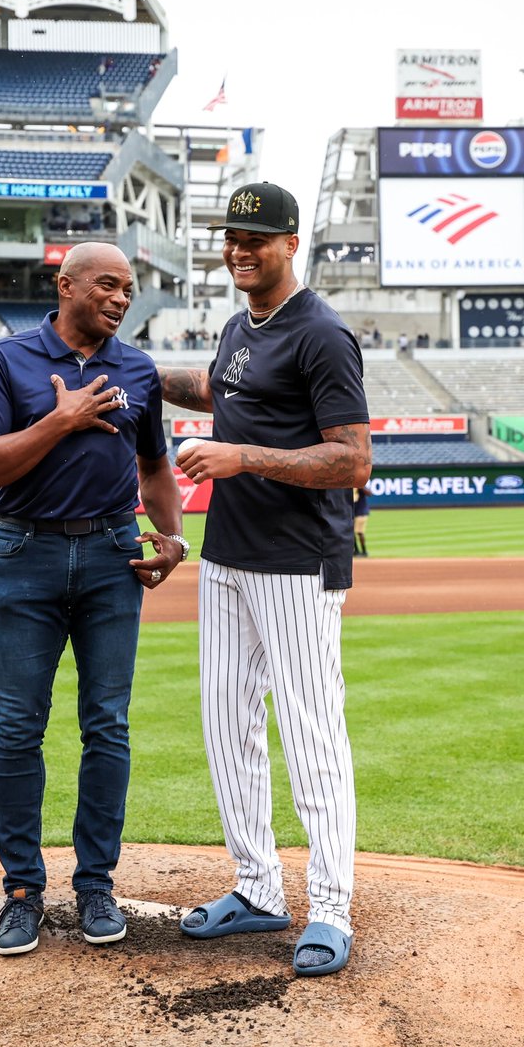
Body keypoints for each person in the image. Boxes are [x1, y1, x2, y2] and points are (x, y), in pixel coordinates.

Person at [157, 182, 371, 978]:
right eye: (230, 238)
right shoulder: (240, 326)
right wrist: (142, 375)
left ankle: (333, 906)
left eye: (256, 238)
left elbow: (352, 458)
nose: (240, 250)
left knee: (312, 733)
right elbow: (223, 387)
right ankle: (256, 888)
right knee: (226, 723)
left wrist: (242, 456)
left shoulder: (322, 334)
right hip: (228, 557)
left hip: (296, 563)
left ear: (290, 244)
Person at [0, 241, 185, 958]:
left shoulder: (138, 368)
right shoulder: (5, 361)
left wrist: (172, 537)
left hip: (115, 554)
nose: (121, 298)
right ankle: (22, 891)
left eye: (129, 289)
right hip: (27, 551)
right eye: (108, 285)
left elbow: (154, 466)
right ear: (67, 285)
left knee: (107, 726)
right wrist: (62, 419)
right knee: (17, 729)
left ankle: (95, 885)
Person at [352, 485, 370, 557]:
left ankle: (364, 551)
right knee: (351, 533)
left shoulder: (360, 486)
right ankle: (356, 551)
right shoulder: (349, 488)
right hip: (353, 513)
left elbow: (370, 493)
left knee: (359, 532)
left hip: (361, 513)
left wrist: (361, 486)